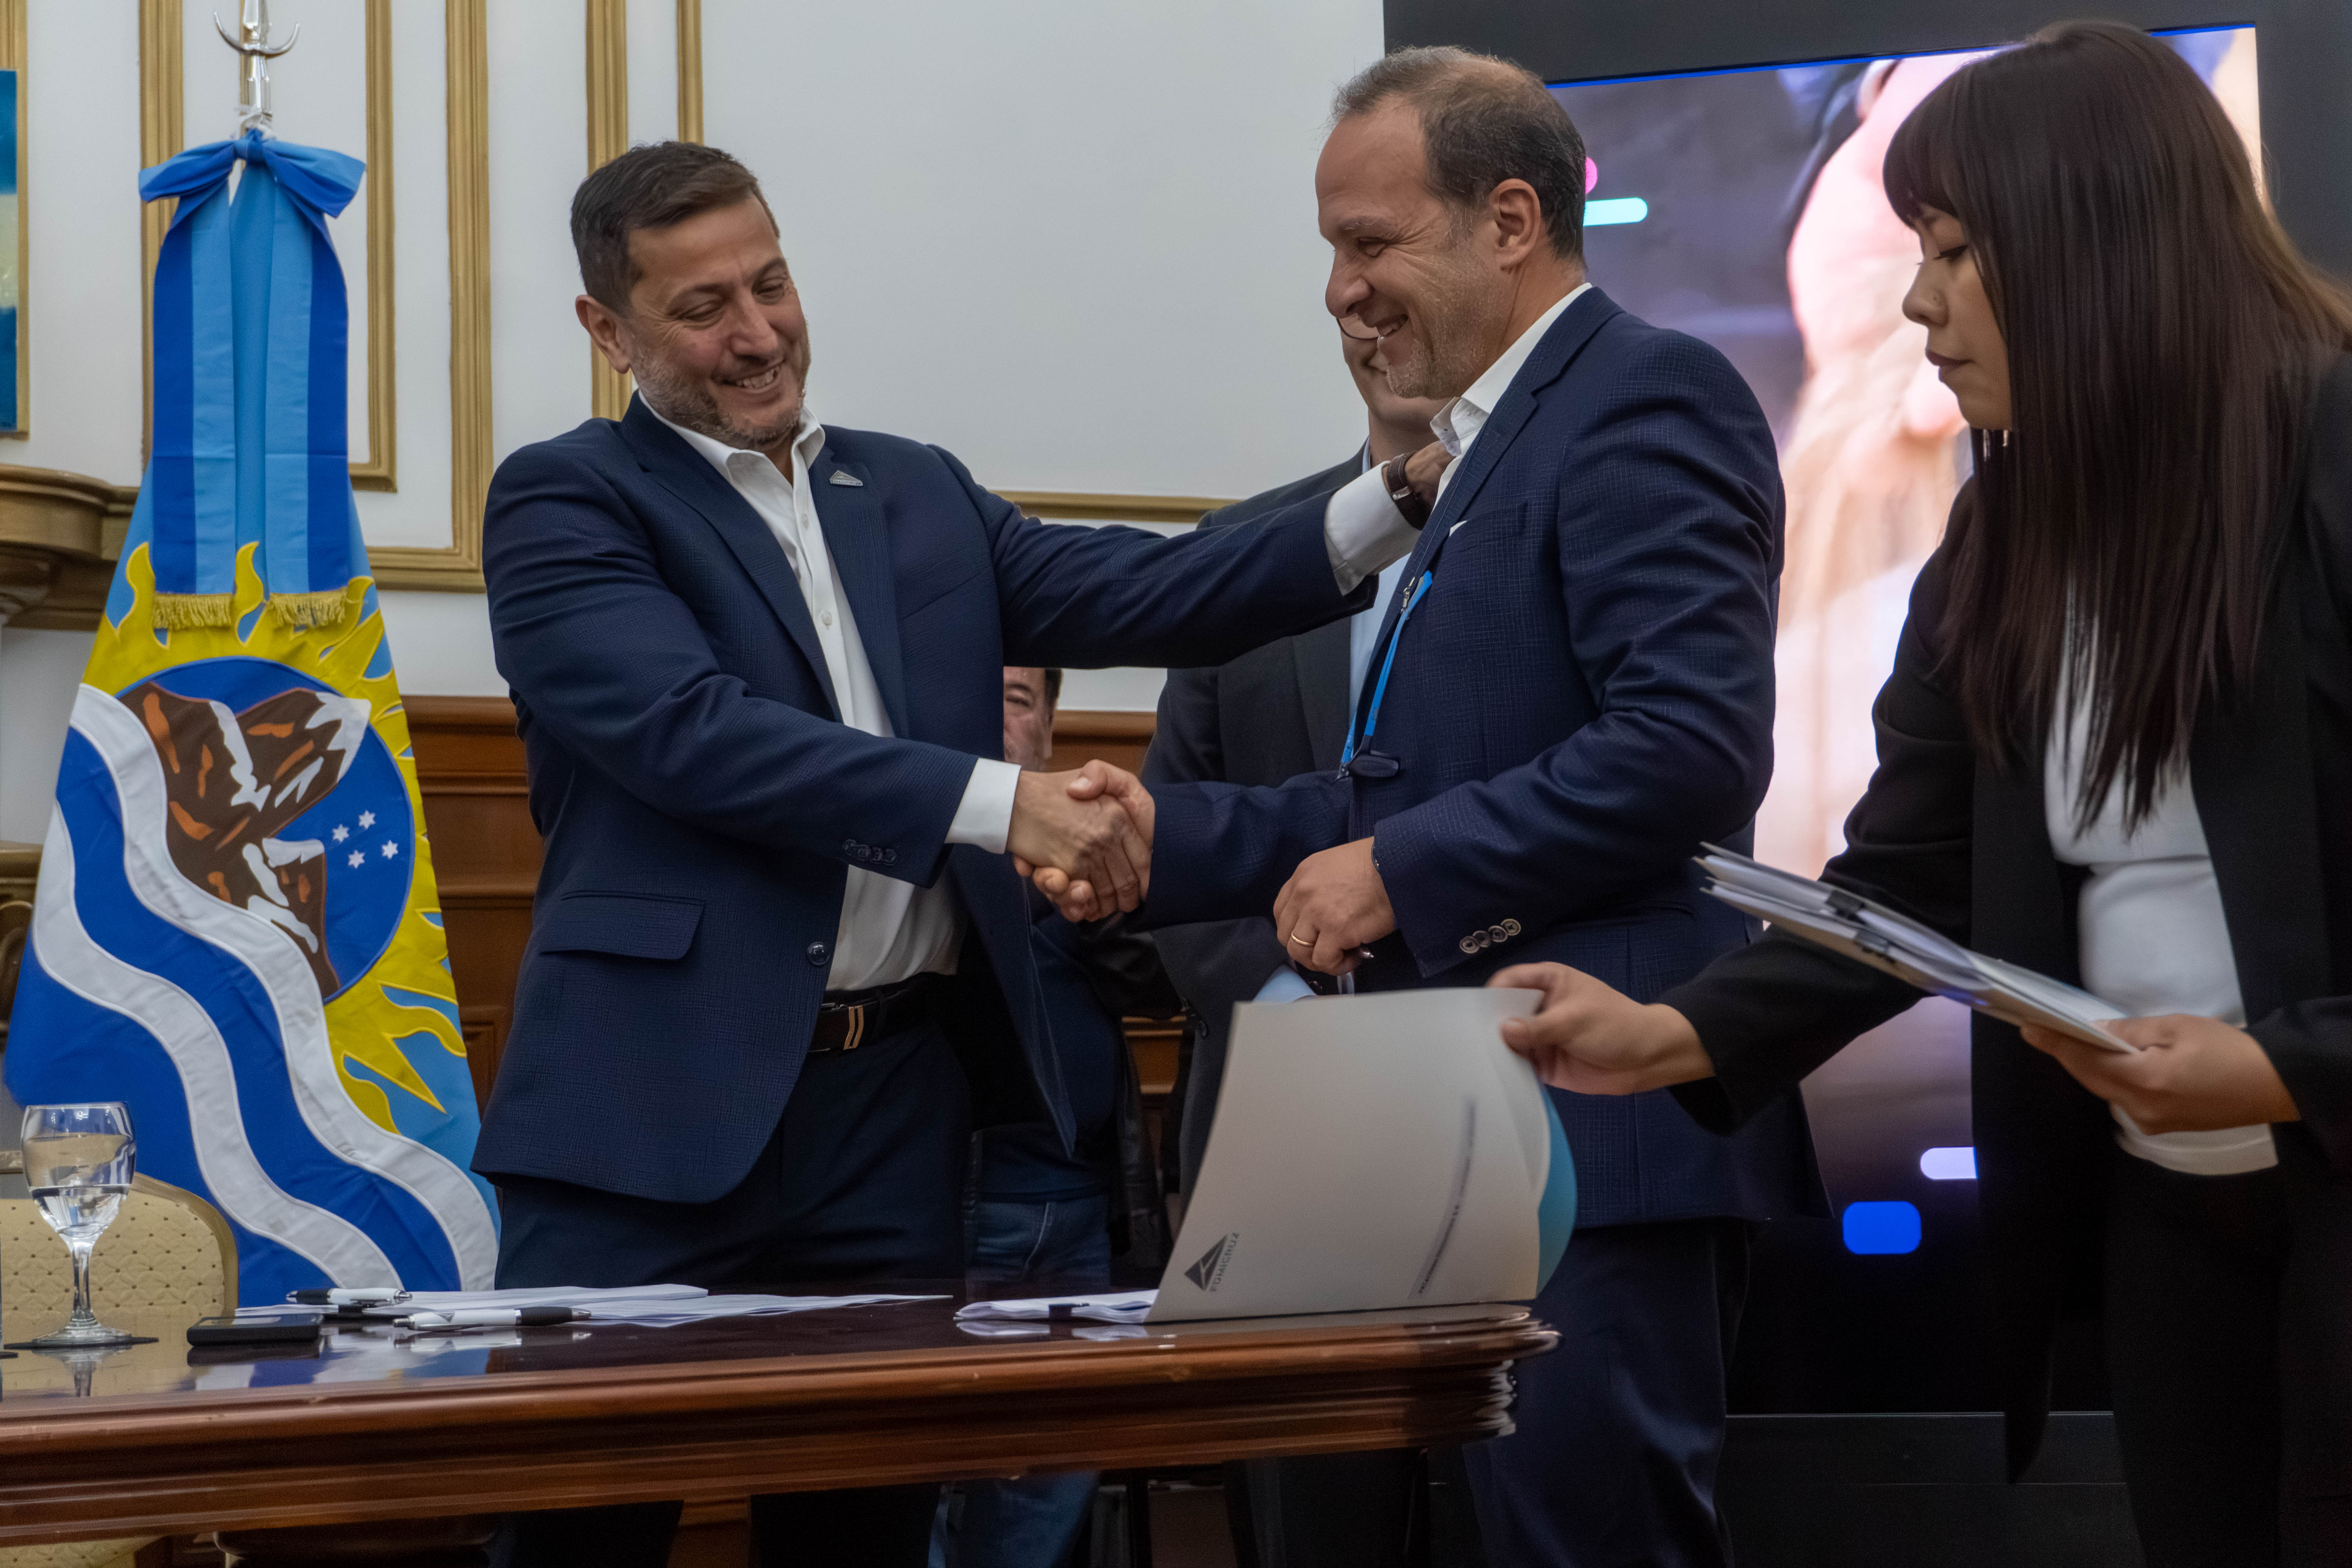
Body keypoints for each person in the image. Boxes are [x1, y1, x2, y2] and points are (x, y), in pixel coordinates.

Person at [474, 141, 1418, 1568]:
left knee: (867, 1526)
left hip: (892, 1115)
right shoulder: (566, 501)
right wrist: (1005, 805)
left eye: (773, 283)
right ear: (608, 332)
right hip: (650, 1114)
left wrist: (1400, 498)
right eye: (703, 307)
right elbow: (695, 734)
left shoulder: (912, 490)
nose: (758, 333)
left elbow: (1148, 584)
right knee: (580, 1535)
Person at [1486, 24, 2352, 1567]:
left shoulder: (2333, 453)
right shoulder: (2004, 531)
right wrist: (1673, 1033)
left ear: (2098, 244)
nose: (1916, 300)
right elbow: (1907, 879)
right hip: (2166, 1220)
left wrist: (2288, 1069)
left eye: (1953, 249)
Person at [1065, 47, 1824, 1568]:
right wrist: (1154, 848)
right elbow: (1391, 786)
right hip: (1441, 1143)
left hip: (1592, 1138)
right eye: (1329, 251)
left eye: (1371, 241)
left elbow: (1686, 743)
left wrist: (1402, 871)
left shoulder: (1642, 396)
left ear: (1513, 221)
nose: (1340, 289)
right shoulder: (1475, 458)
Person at [1145, 320, 1449, 1196]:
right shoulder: (1242, 544)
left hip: (1504, 1075)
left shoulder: (1555, 531)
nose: (1371, 307)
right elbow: (1177, 833)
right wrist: (1289, 1012)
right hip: (1267, 1109)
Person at [935, 667, 1181, 1568]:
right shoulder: (889, 835)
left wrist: (1086, 878)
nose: (998, 715)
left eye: (1016, 696)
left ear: (1047, 725)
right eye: (980, 690)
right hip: (938, 1208)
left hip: (1076, 1212)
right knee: (914, 1478)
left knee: (1047, 1499)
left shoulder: (1087, 852)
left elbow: (1157, 980)